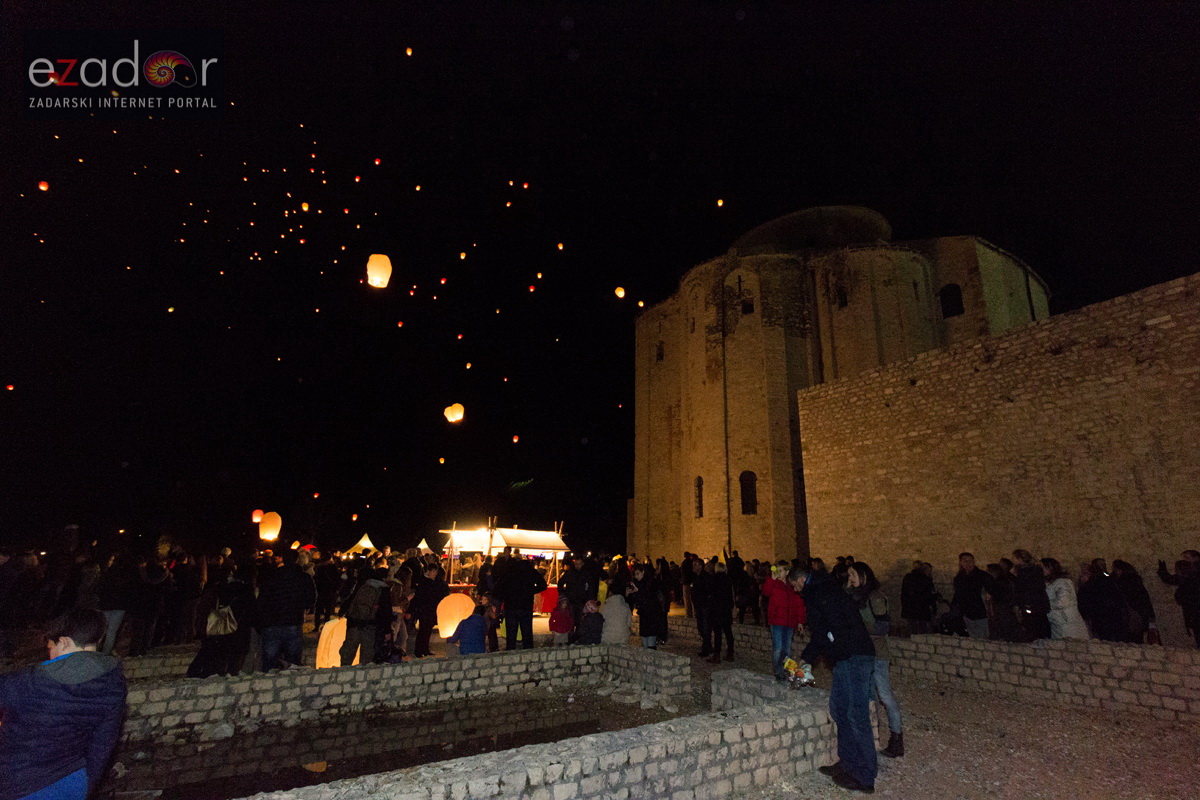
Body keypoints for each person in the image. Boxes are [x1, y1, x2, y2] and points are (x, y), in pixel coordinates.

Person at [0, 609, 127, 800]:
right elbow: (103, 744)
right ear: (98, 640)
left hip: (20, 784)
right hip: (74, 781)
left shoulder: (28, 681)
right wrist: (86, 787)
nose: (50, 655)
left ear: (65, 641)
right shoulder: (114, 682)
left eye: (52, 648)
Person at [797, 564, 877, 794]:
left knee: (856, 713)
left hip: (855, 655)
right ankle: (848, 762)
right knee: (840, 708)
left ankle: (865, 776)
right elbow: (826, 630)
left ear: (802, 581)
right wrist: (809, 657)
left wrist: (808, 658)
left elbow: (826, 629)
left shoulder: (821, 593)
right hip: (844, 657)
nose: (795, 590)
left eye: (794, 585)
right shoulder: (822, 591)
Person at [846, 561, 904, 759]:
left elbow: (882, 628)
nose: (850, 580)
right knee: (867, 698)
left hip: (877, 655)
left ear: (863, 575)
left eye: (853, 575)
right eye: (849, 576)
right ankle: (872, 738)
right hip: (861, 654)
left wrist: (858, 628)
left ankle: (897, 739)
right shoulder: (854, 598)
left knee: (886, 697)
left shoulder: (876, 598)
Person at [255, 548, 317, 670]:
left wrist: (259, 620)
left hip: (271, 621)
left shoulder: (272, 576)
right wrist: (302, 607)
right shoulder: (303, 578)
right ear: (297, 560)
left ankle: (268, 685)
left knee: (269, 661)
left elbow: (262, 599)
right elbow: (311, 599)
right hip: (293, 621)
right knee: (292, 663)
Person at [761, 563, 806, 681]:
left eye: (780, 570)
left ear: (787, 572)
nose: (778, 573)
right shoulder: (773, 583)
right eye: (777, 570)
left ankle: (787, 671)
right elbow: (765, 591)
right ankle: (778, 671)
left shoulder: (792, 586)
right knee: (778, 648)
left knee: (786, 648)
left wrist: (800, 621)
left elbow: (799, 604)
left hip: (790, 621)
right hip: (776, 621)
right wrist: (772, 579)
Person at [340, 566, 392, 665]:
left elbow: (351, 601)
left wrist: (343, 613)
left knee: (347, 655)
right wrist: (387, 630)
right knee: (367, 658)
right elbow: (385, 612)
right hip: (370, 626)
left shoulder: (362, 585)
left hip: (354, 624)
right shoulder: (383, 589)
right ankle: (362, 678)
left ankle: (343, 676)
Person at [496, 555, 546, 650]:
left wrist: (506, 595)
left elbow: (499, 588)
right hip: (526, 606)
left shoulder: (509, 571)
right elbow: (543, 585)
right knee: (527, 634)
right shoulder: (530, 571)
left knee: (511, 635)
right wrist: (531, 590)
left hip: (511, 606)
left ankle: (510, 656)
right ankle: (528, 655)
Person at [951, 552, 996, 639]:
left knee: (983, 638)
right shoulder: (959, 578)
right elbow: (958, 595)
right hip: (966, 613)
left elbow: (993, 589)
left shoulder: (982, 576)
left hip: (980, 613)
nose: (968, 564)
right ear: (961, 563)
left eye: (970, 561)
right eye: (965, 561)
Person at [408, 563, 449, 658]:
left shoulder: (438, 582)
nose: (434, 573)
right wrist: (411, 610)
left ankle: (425, 649)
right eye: (433, 571)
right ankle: (419, 650)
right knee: (423, 629)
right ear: (429, 572)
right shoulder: (424, 583)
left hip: (433, 609)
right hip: (424, 609)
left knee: (428, 629)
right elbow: (418, 597)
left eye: (435, 572)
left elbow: (443, 593)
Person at [1042, 558, 1089, 640]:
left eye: (1043, 568)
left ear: (1050, 568)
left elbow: (1063, 602)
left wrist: (1044, 604)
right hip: (1057, 623)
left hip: (1067, 623)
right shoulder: (1048, 584)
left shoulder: (1063, 583)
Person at [1112, 560, 1155, 643]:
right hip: (1139, 618)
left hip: (1127, 618)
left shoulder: (1121, 583)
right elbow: (1146, 601)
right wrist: (1151, 619)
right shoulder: (1137, 582)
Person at [1012, 549, 1051, 640]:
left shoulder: (1025, 572)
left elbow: (1024, 589)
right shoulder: (1036, 569)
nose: (1012, 560)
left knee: (1033, 625)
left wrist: (1024, 604)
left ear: (1020, 559)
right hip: (1038, 604)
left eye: (1014, 557)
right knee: (1040, 623)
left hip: (1031, 604)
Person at [626, 563, 667, 648]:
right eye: (635, 574)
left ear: (643, 572)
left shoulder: (651, 582)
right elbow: (635, 600)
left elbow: (650, 597)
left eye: (638, 574)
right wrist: (629, 594)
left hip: (652, 614)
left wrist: (638, 591)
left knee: (651, 639)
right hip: (644, 614)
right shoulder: (637, 583)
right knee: (644, 639)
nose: (636, 576)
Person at [707, 560, 735, 663]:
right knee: (728, 632)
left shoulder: (714, 579)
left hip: (716, 609)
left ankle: (716, 655)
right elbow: (730, 595)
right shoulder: (728, 579)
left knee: (718, 633)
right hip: (726, 609)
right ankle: (730, 653)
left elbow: (711, 593)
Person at [899, 560, 937, 635]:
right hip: (922, 610)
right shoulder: (925, 580)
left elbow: (904, 593)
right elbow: (928, 595)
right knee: (923, 632)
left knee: (913, 631)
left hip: (909, 609)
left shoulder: (908, 577)